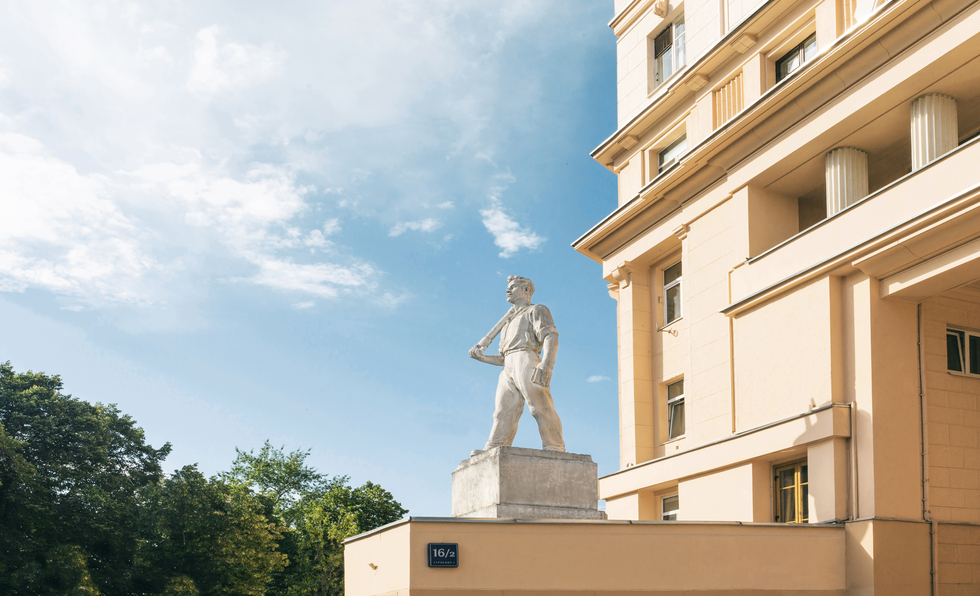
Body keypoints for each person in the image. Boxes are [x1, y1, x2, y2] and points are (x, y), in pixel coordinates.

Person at [469, 276, 565, 455]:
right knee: (503, 410)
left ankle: (555, 447)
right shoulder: (508, 321)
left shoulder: (537, 310)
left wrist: (547, 363)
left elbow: (550, 336)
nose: (508, 290)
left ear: (526, 290)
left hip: (526, 358)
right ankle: (496, 445)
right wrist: (482, 357)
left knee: (539, 406)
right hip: (508, 365)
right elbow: (502, 358)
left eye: (513, 287)